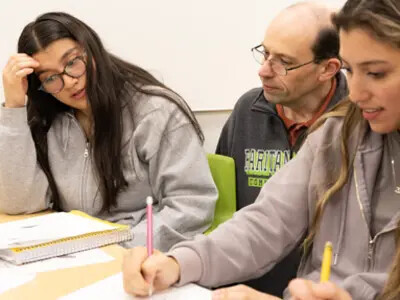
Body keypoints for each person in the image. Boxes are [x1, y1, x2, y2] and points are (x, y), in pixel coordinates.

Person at [122, 0, 400, 299]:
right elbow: (267, 221)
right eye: (350, 71)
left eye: (375, 73)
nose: (356, 94)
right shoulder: (338, 134)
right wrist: (179, 262)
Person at [0, 12, 218, 252]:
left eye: (72, 62)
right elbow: (19, 204)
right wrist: (14, 107)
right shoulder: (50, 120)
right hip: (76, 256)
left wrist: (117, 247)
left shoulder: (157, 112)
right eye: (51, 77)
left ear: (92, 50)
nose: (70, 81)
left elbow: (192, 206)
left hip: (139, 260)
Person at [217, 2, 347, 296]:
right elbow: (225, 213)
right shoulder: (247, 111)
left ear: (328, 69)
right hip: (243, 287)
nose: (264, 71)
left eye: (283, 62)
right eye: (265, 54)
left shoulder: (357, 124)